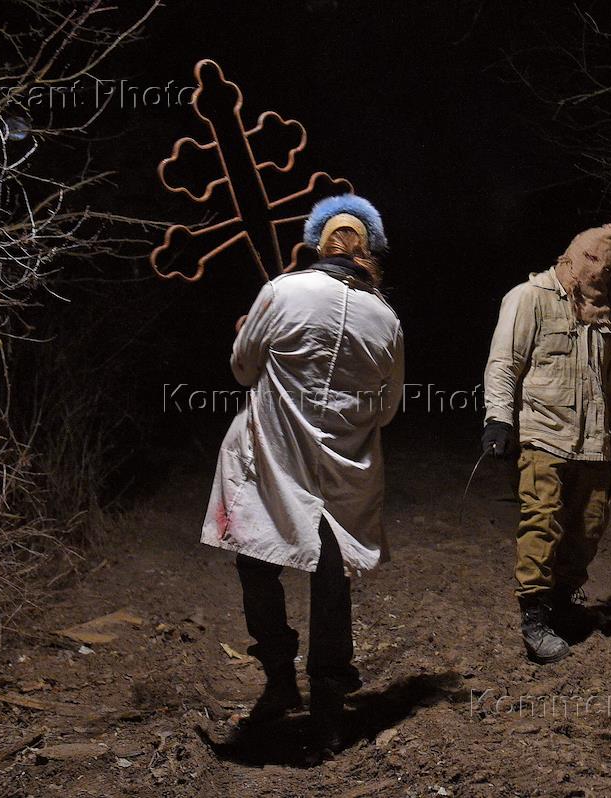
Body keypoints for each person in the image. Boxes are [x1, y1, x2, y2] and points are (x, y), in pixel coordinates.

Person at [201, 194, 404, 752]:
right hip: (344, 466)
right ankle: (329, 704)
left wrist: (248, 333)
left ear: (318, 244)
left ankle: (279, 678)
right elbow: (387, 408)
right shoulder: (386, 318)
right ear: (369, 251)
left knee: (256, 561)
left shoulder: (281, 291)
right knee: (331, 577)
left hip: (274, 458)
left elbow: (243, 369)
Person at [481, 222, 611, 664]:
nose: (599, 272)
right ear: (573, 253)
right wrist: (498, 419)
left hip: (594, 443)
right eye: (592, 260)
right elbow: (504, 362)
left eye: (609, 269)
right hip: (543, 434)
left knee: (589, 526)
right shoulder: (529, 298)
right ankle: (534, 618)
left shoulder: (601, 315)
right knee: (543, 522)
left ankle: (562, 602)